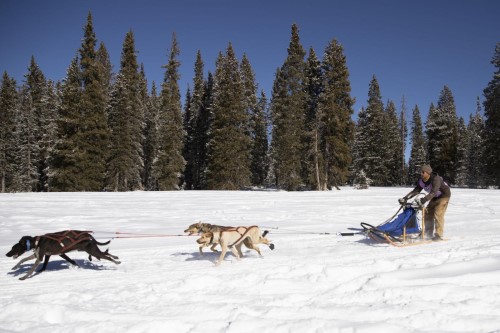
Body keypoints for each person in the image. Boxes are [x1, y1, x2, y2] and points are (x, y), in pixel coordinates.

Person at [398, 165, 451, 241]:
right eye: (421, 172)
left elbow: (433, 192)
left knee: (438, 213)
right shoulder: (421, 180)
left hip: (444, 195)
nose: (421, 174)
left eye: (423, 172)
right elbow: (416, 191)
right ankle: (428, 233)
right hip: (434, 196)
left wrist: (424, 200)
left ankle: (438, 235)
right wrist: (405, 198)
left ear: (428, 172)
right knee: (427, 213)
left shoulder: (436, 179)